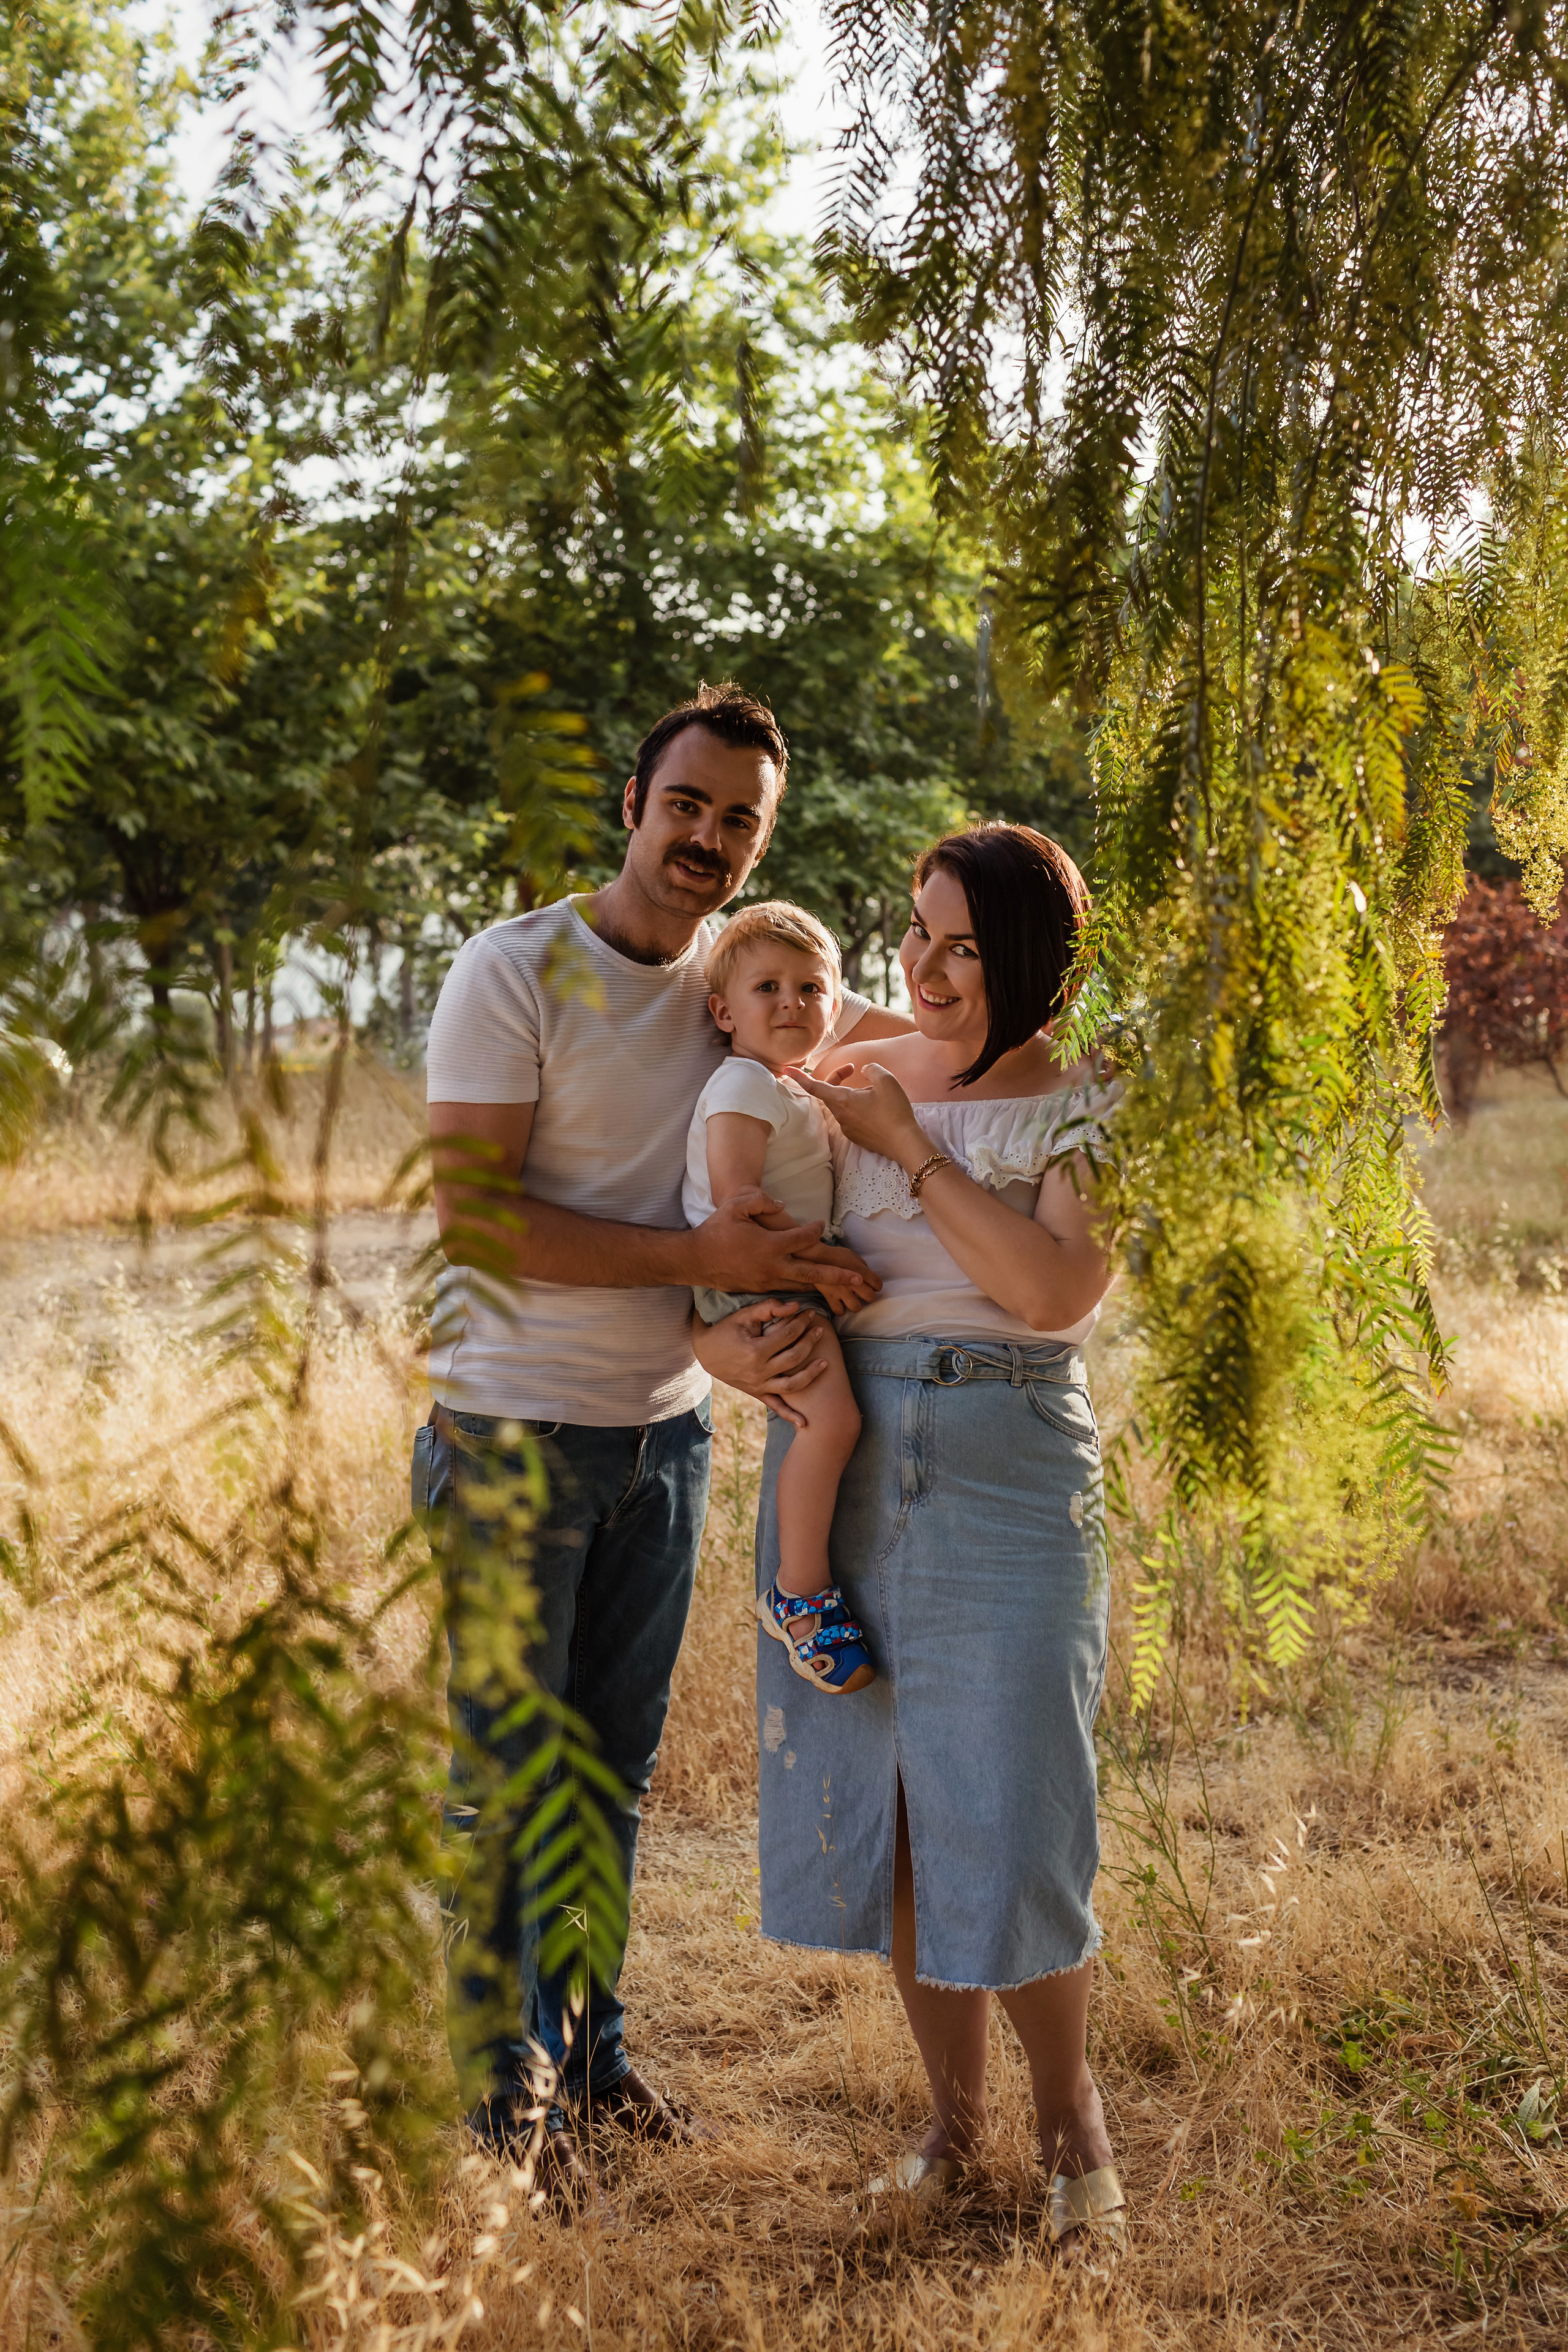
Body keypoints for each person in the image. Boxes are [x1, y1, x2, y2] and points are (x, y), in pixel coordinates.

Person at [415, 681, 912, 2212]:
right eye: (687, 805)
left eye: (740, 820)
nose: (708, 838)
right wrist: (713, 1252)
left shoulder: (744, 981)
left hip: (664, 1440)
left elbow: (904, 1037)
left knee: (613, 1779)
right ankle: (506, 2106)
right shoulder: (512, 972)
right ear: (631, 805)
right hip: (510, 1430)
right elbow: (476, 1218)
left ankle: (592, 2059)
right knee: (515, 1782)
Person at [696, 820, 1128, 2259]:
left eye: (957, 942)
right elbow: (736, 1123)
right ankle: (952, 2123)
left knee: (1007, 1813)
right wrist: (724, 1340)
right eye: (913, 932)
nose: (922, 967)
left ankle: (1073, 2134)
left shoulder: (1093, 1097)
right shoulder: (861, 1052)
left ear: (1027, 955)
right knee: (888, 1814)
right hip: (849, 1446)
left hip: (1008, 1462)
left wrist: (907, 1153)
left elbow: (1052, 1291)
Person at [682, 901, 874, 1694]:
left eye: (810, 987)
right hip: (756, 1279)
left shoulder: (791, 1086)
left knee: (820, 1422)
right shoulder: (742, 1086)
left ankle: (805, 1580)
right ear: (725, 1012)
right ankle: (799, 1593)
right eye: (768, 988)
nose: (792, 1003)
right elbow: (739, 1210)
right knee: (832, 1422)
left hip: (785, 1274)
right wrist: (828, 1266)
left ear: (837, 1004)